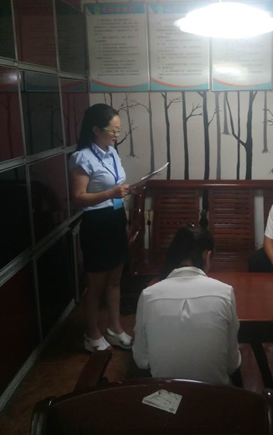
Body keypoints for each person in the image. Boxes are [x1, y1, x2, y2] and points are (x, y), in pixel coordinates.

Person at [132, 225, 241, 385]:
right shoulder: (225, 293)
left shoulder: (149, 296)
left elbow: (141, 360)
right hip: (215, 396)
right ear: (207, 256)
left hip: (165, 396)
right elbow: (232, 364)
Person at [69, 103, 132, 352]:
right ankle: (92, 333)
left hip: (116, 219)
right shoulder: (82, 158)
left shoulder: (111, 152)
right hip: (96, 224)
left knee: (115, 279)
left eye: (118, 130)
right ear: (96, 130)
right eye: (112, 130)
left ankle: (115, 328)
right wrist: (110, 193)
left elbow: (115, 184)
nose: (116, 135)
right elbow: (78, 198)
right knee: (96, 283)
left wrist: (122, 192)